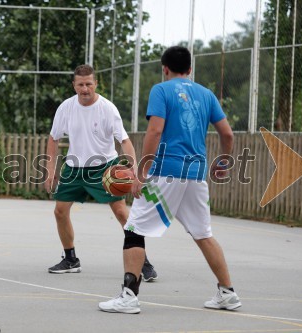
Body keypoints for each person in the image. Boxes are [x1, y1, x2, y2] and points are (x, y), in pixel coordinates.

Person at [98, 46, 241, 314]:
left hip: (166, 172)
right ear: (190, 68)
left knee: (134, 229)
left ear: (165, 68)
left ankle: (129, 296)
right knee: (203, 234)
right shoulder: (206, 94)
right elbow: (228, 135)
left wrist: (141, 173)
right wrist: (223, 162)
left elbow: (155, 131)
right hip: (196, 174)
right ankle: (228, 293)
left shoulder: (161, 90)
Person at [44, 64, 158, 281]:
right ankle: (70, 259)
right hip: (75, 166)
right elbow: (53, 138)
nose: (85, 89)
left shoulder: (107, 108)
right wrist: (51, 170)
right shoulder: (66, 108)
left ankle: (143, 261)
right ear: (74, 85)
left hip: (104, 167)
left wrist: (133, 168)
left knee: (122, 214)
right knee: (60, 211)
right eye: (80, 84)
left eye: (89, 84)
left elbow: (123, 140)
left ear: (95, 83)